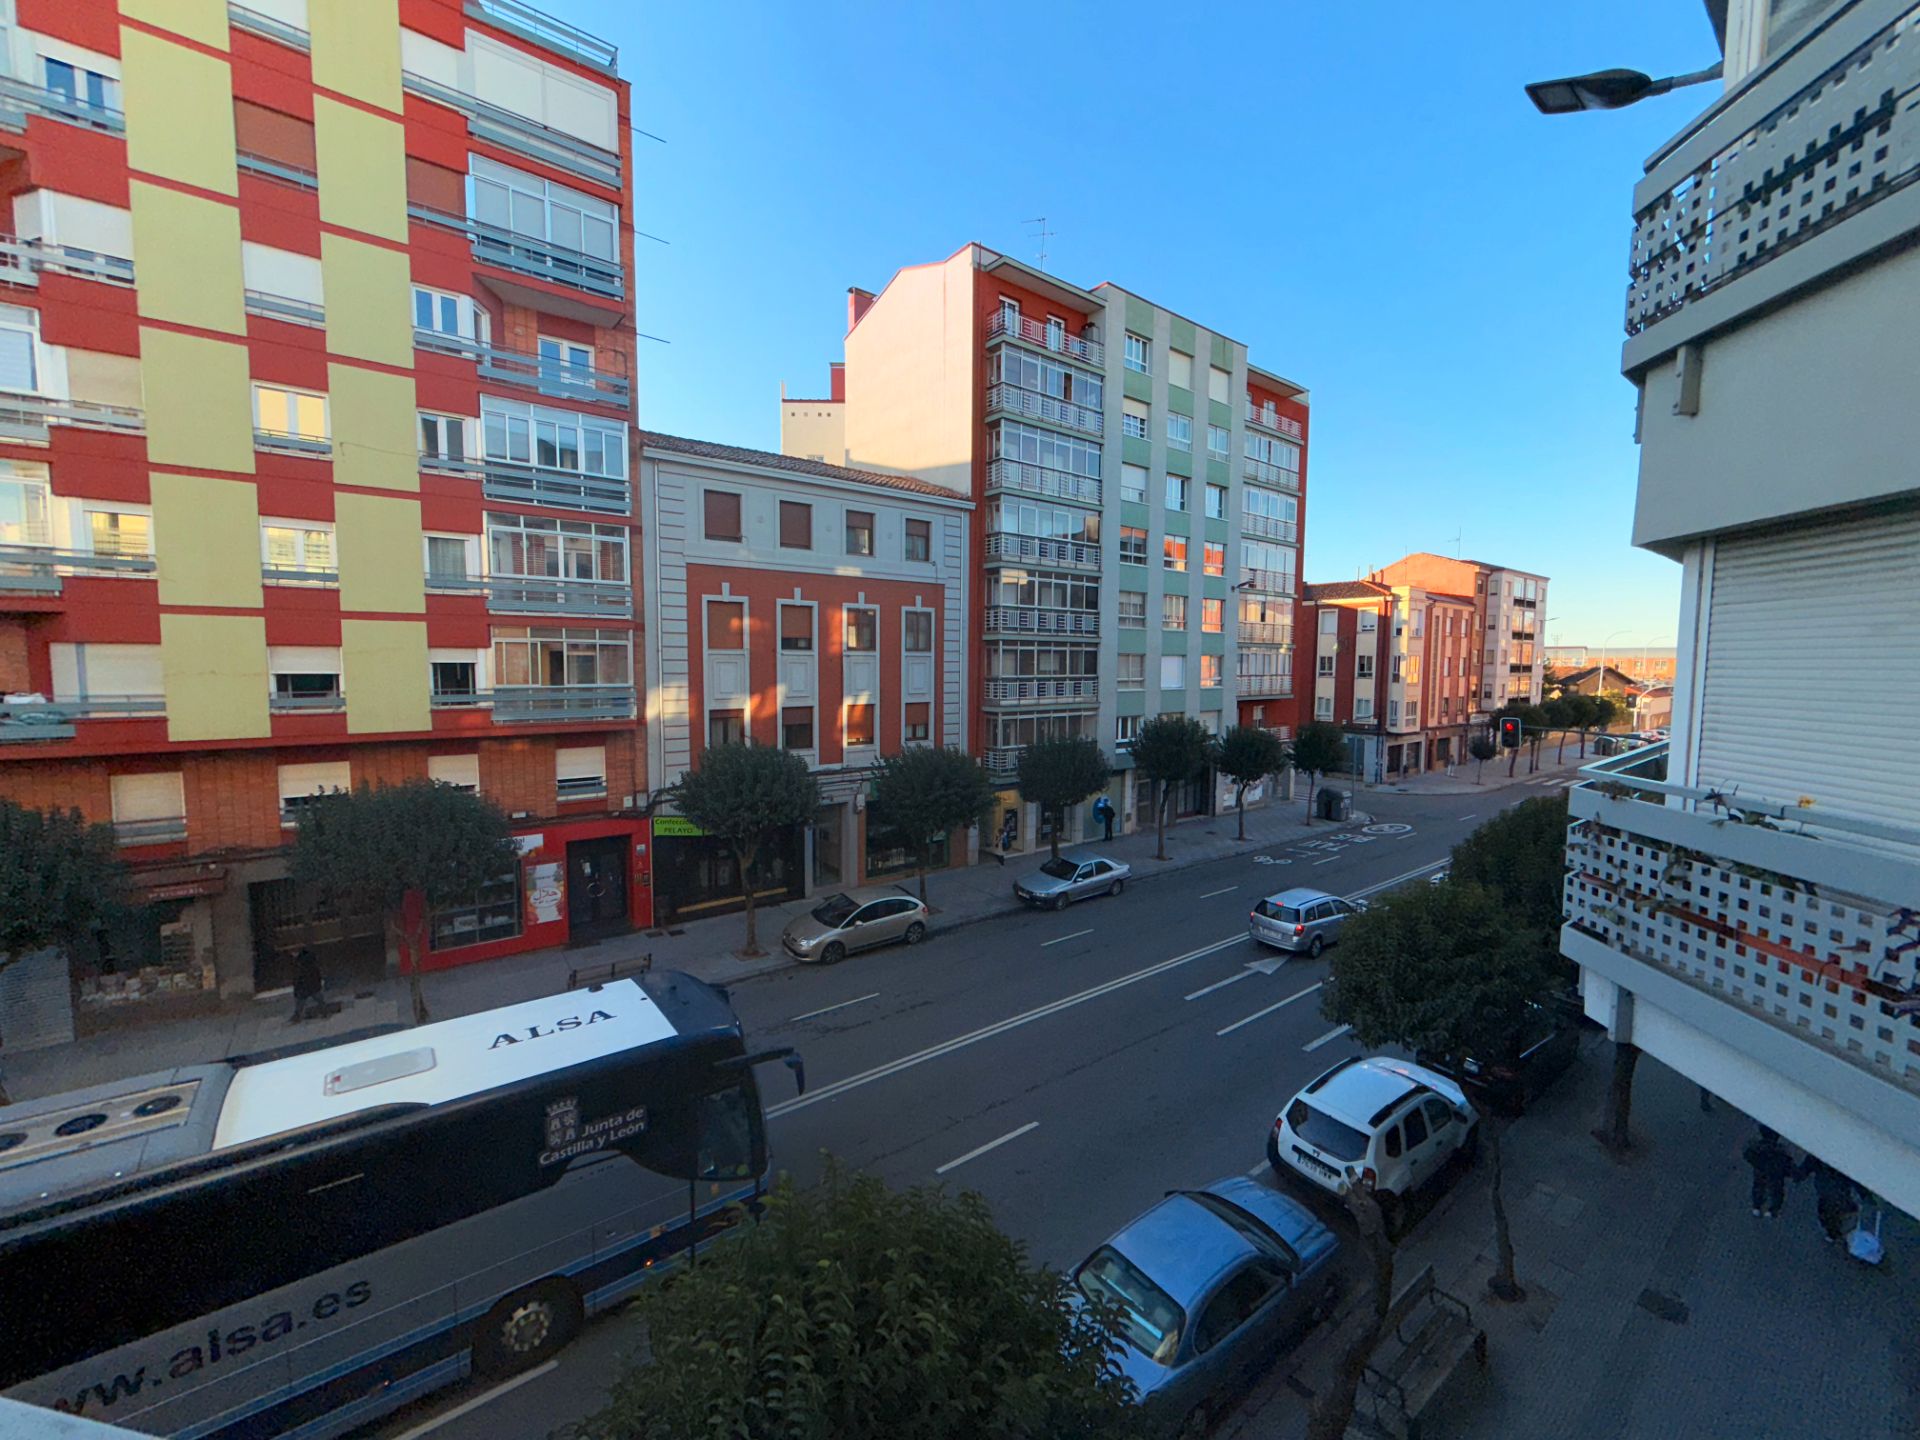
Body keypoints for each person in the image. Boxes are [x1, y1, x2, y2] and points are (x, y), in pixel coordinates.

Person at [1798, 1155, 1860, 1243]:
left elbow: (1802, 1172)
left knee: (1828, 1217)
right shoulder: (1845, 1161)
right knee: (1837, 1213)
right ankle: (1838, 1233)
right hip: (1839, 1194)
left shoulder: (1817, 1157)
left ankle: (1834, 1234)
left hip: (1827, 1194)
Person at [1741, 1126, 1794, 1218]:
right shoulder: (1779, 1150)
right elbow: (1787, 1164)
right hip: (1775, 1173)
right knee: (1776, 1191)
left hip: (1760, 1171)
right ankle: (1773, 1210)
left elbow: (1747, 1154)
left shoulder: (1757, 1147)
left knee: (1759, 1186)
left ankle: (1756, 1207)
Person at [289, 947, 326, 1023]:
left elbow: (298, 977)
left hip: (304, 987)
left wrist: (296, 988)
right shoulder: (310, 961)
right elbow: (317, 974)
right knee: (319, 998)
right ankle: (323, 1011)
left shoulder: (300, 964)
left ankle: (297, 1016)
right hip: (313, 985)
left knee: (300, 1002)